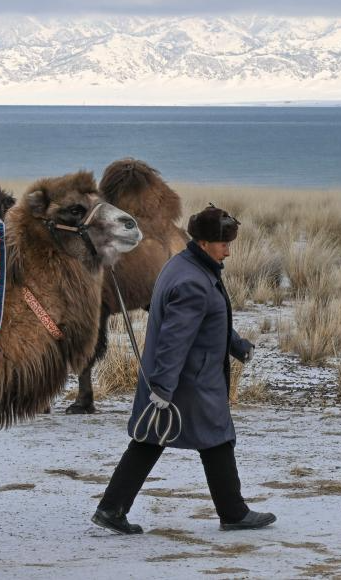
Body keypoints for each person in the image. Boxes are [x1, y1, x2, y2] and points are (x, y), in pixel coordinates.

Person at [92, 205, 276, 534]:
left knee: (156, 439)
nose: (228, 251)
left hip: (185, 378)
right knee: (213, 439)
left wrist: (236, 345)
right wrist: (162, 388)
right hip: (190, 381)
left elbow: (207, 320)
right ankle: (233, 513)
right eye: (224, 244)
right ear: (204, 243)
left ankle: (112, 508)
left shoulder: (186, 266)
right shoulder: (193, 280)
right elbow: (173, 341)